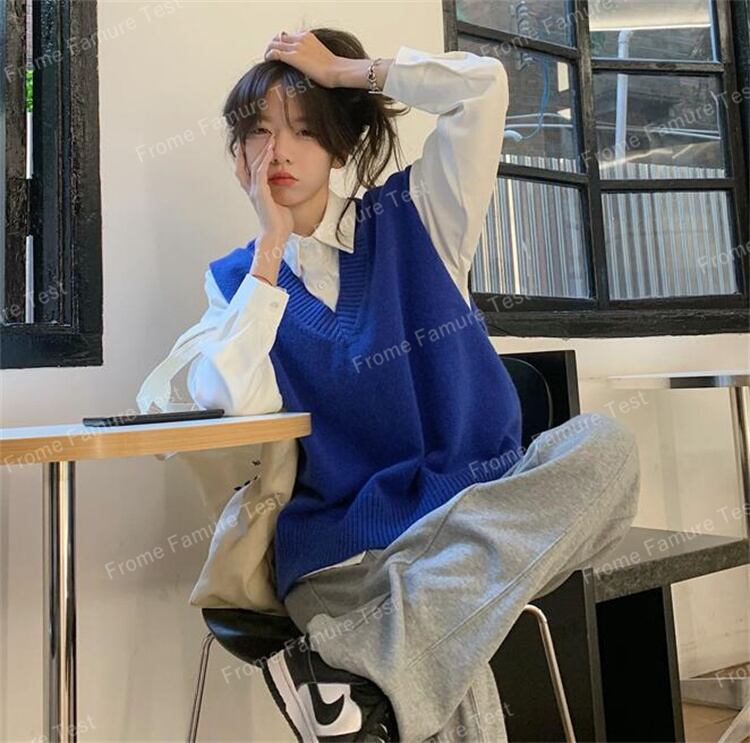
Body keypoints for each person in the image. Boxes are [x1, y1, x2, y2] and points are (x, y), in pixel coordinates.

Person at [140, 26, 641, 743]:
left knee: (606, 446)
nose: (278, 151)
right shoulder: (237, 284)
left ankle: (344, 667)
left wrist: (348, 71)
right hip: (346, 555)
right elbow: (232, 401)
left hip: (469, 516)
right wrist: (271, 249)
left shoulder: (421, 215)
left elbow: (483, 88)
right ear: (236, 152)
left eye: (305, 129)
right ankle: (367, 667)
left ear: (339, 146)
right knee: (446, 653)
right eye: (257, 132)